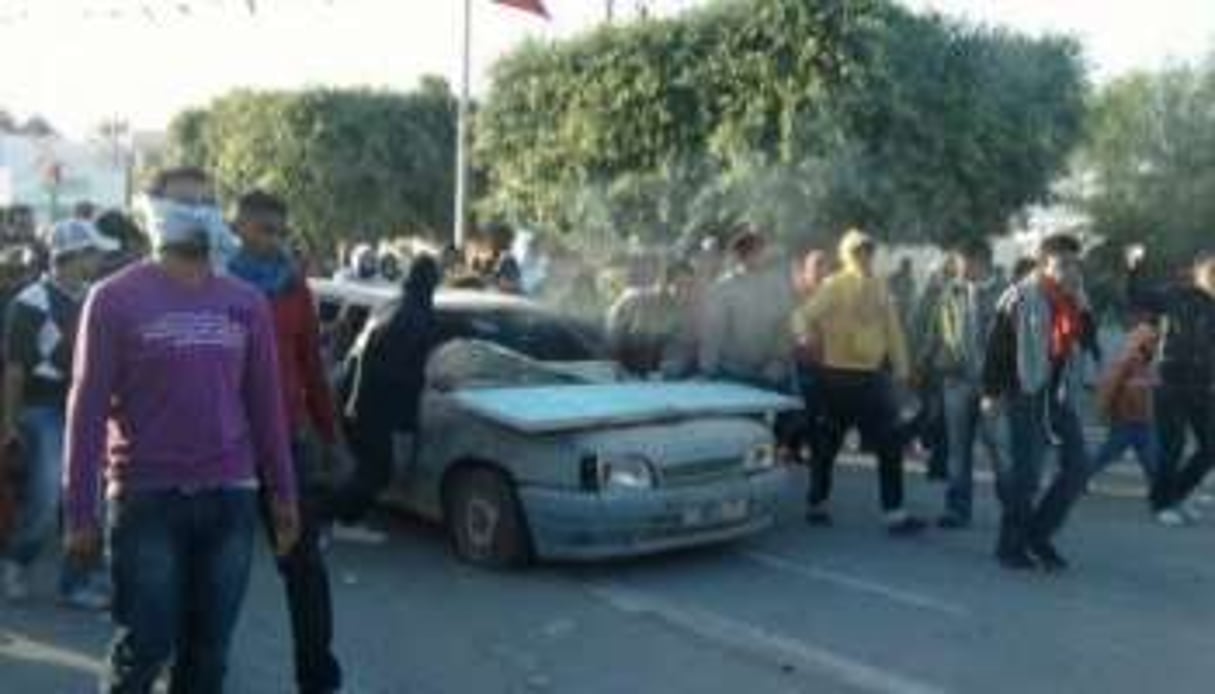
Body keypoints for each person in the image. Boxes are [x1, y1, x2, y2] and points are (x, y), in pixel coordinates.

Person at [64, 167, 300, 693]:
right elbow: (86, 409)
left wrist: (284, 493)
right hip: (147, 498)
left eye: (205, 202)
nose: (196, 213)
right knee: (143, 651)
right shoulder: (114, 298)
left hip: (230, 497)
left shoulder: (245, 302)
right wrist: (79, 510)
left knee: (208, 657)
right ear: (154, 213)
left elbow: (266, 406)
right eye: (182, 203)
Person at [228, 191, 344, 694]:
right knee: (217, 573)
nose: (275, 241)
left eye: (280, 231)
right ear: (239, 229)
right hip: (226, 445)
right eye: (265, 230)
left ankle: (317, 679)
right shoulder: (213, 283)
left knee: (305, 569)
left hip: (288, 443)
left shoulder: (296, 289)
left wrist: (330, 435)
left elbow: (313, 368)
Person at [1, 219, 117, 608]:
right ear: (72, 256)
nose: (101, 258)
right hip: (41, 408)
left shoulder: (94, 297)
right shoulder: (30, 301)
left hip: (85, 406)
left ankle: (76, 582)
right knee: (50, 489)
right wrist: (7, 423)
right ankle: (16, 560)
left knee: (88, 496)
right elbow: (15, 368)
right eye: (94, 252)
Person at [795, 229, 925, 535]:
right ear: (846, 255)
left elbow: (893, 331)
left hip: (871, 377)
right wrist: (804, 334)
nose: (864, 257)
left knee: (890, 443)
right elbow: (802, 315)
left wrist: (903, 371)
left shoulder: (880, 288)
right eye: (858, 252)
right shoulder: (834, 286)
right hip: (836, 376)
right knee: (826, 445)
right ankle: (817, 503)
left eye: (868, 251)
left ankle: (894, 513)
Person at [981, 233, 1092, 571]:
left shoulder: (1074, 298)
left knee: (1079, 467)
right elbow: (996, 346)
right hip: (1023, 392)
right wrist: (990, 393)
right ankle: (1010, 545)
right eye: (1063, 264)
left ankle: (1037, 534)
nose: (1070, 271)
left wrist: (1082, 305)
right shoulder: (1019, 296)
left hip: (1056, 395)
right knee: (1026, 476)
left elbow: (1088, 339)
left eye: (1074, 264)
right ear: (1044, 264)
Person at [335, 255, 441, 525]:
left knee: (374, 469)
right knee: (377, 470)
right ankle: (325, 510)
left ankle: (341, 513)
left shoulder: (397, 306)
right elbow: (398, 365)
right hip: (370, 402)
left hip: (361, 398)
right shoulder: (411, 315)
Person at [917, 239, 1005, 528]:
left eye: (960, 260)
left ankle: (1013, 508)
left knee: (999, 449)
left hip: (994, 384)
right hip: (956, 380)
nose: (955, 266)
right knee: (958, 450)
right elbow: (935, 330)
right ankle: (957, 509)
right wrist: (923, 361)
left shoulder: (1006, 293)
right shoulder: (950, 291)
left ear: (979, 261)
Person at [1126, 245, 1215, 526]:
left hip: (1203, 384)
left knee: (1211, 448)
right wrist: (1133, 267)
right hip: (1171, 380)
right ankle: (1162, 503)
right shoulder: (1174, 295)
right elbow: (1137, 297)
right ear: (1198, 271)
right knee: (1173, 446)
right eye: (1213, 271)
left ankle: (1173, 495)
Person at [699, 225, 796, 391]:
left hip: (771, 375)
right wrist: (708, 370)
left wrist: (779, 361)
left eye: (759, 248)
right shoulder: (724, 287)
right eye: (748, 249)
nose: (755, 254)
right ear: (738, 254)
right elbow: (713, 333)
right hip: (731, 375)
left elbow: (784, 327)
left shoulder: (778, 285)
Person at [1089, 321, 1159, 500]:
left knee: (1152, 460)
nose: (1154, 345)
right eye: (1151, 342)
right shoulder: (1126, 363)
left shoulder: (1147, 364)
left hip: (1144, 422)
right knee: (1105, 456)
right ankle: (1078, 478)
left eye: (1154, 342)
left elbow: (1151, 391)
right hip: (1125, 422)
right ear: (1141, 342)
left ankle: (1160, 490)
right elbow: (1108, 388)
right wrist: (1102, 412)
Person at [606, 261, 694, 377]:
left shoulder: (682, 310)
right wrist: (616, 363)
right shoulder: (639, 300)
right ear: (666, 283)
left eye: (689, 285)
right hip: (626, 372)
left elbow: (677, 347)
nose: (684, 291)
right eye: (679, 285)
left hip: (656, 376)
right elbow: (614, 331)